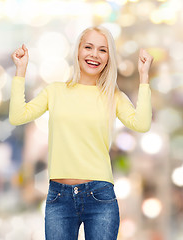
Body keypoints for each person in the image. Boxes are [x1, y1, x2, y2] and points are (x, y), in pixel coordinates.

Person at [9, 25, 153, 240]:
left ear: (108, 58)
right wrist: (20, 70)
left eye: (103, 50)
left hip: (100, 196)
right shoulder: (55, 91)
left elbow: (141, 124)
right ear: (78, 51)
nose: (94, 54)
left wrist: (144, 77)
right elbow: (17, 116)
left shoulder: (112, 95)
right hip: (59, 196)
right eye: (88, 47)